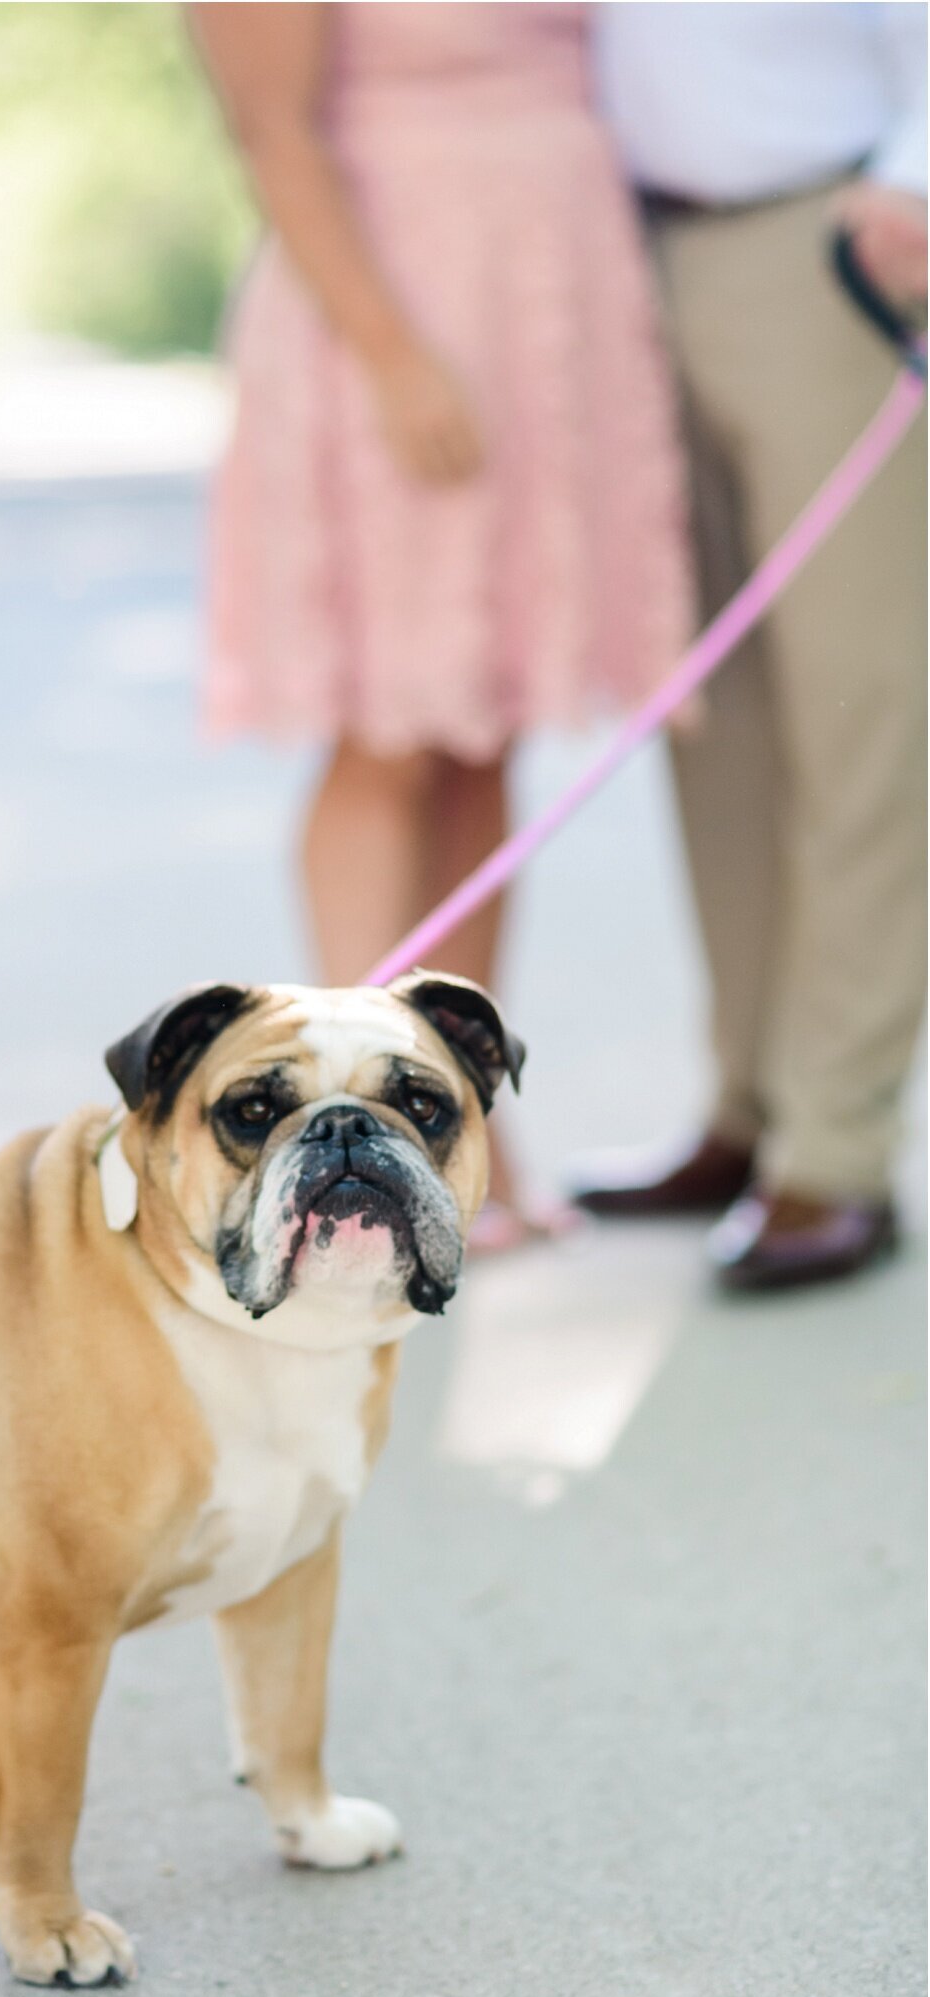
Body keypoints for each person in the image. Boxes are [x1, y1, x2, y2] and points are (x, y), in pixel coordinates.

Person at [190, 2, 691, 1248]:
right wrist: (394, 355)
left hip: (541, 321)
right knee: (391, 734)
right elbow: (268, 128)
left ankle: (462, 1122)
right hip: (392, 313)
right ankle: (361, 1143)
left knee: (479, 734)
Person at [575, 2, 928, 1291]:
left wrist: (916, 177)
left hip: (821, 243)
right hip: (626, 256)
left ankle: (834, 1153)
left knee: (859, 712)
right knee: (710, 719)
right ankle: (742, 1109)